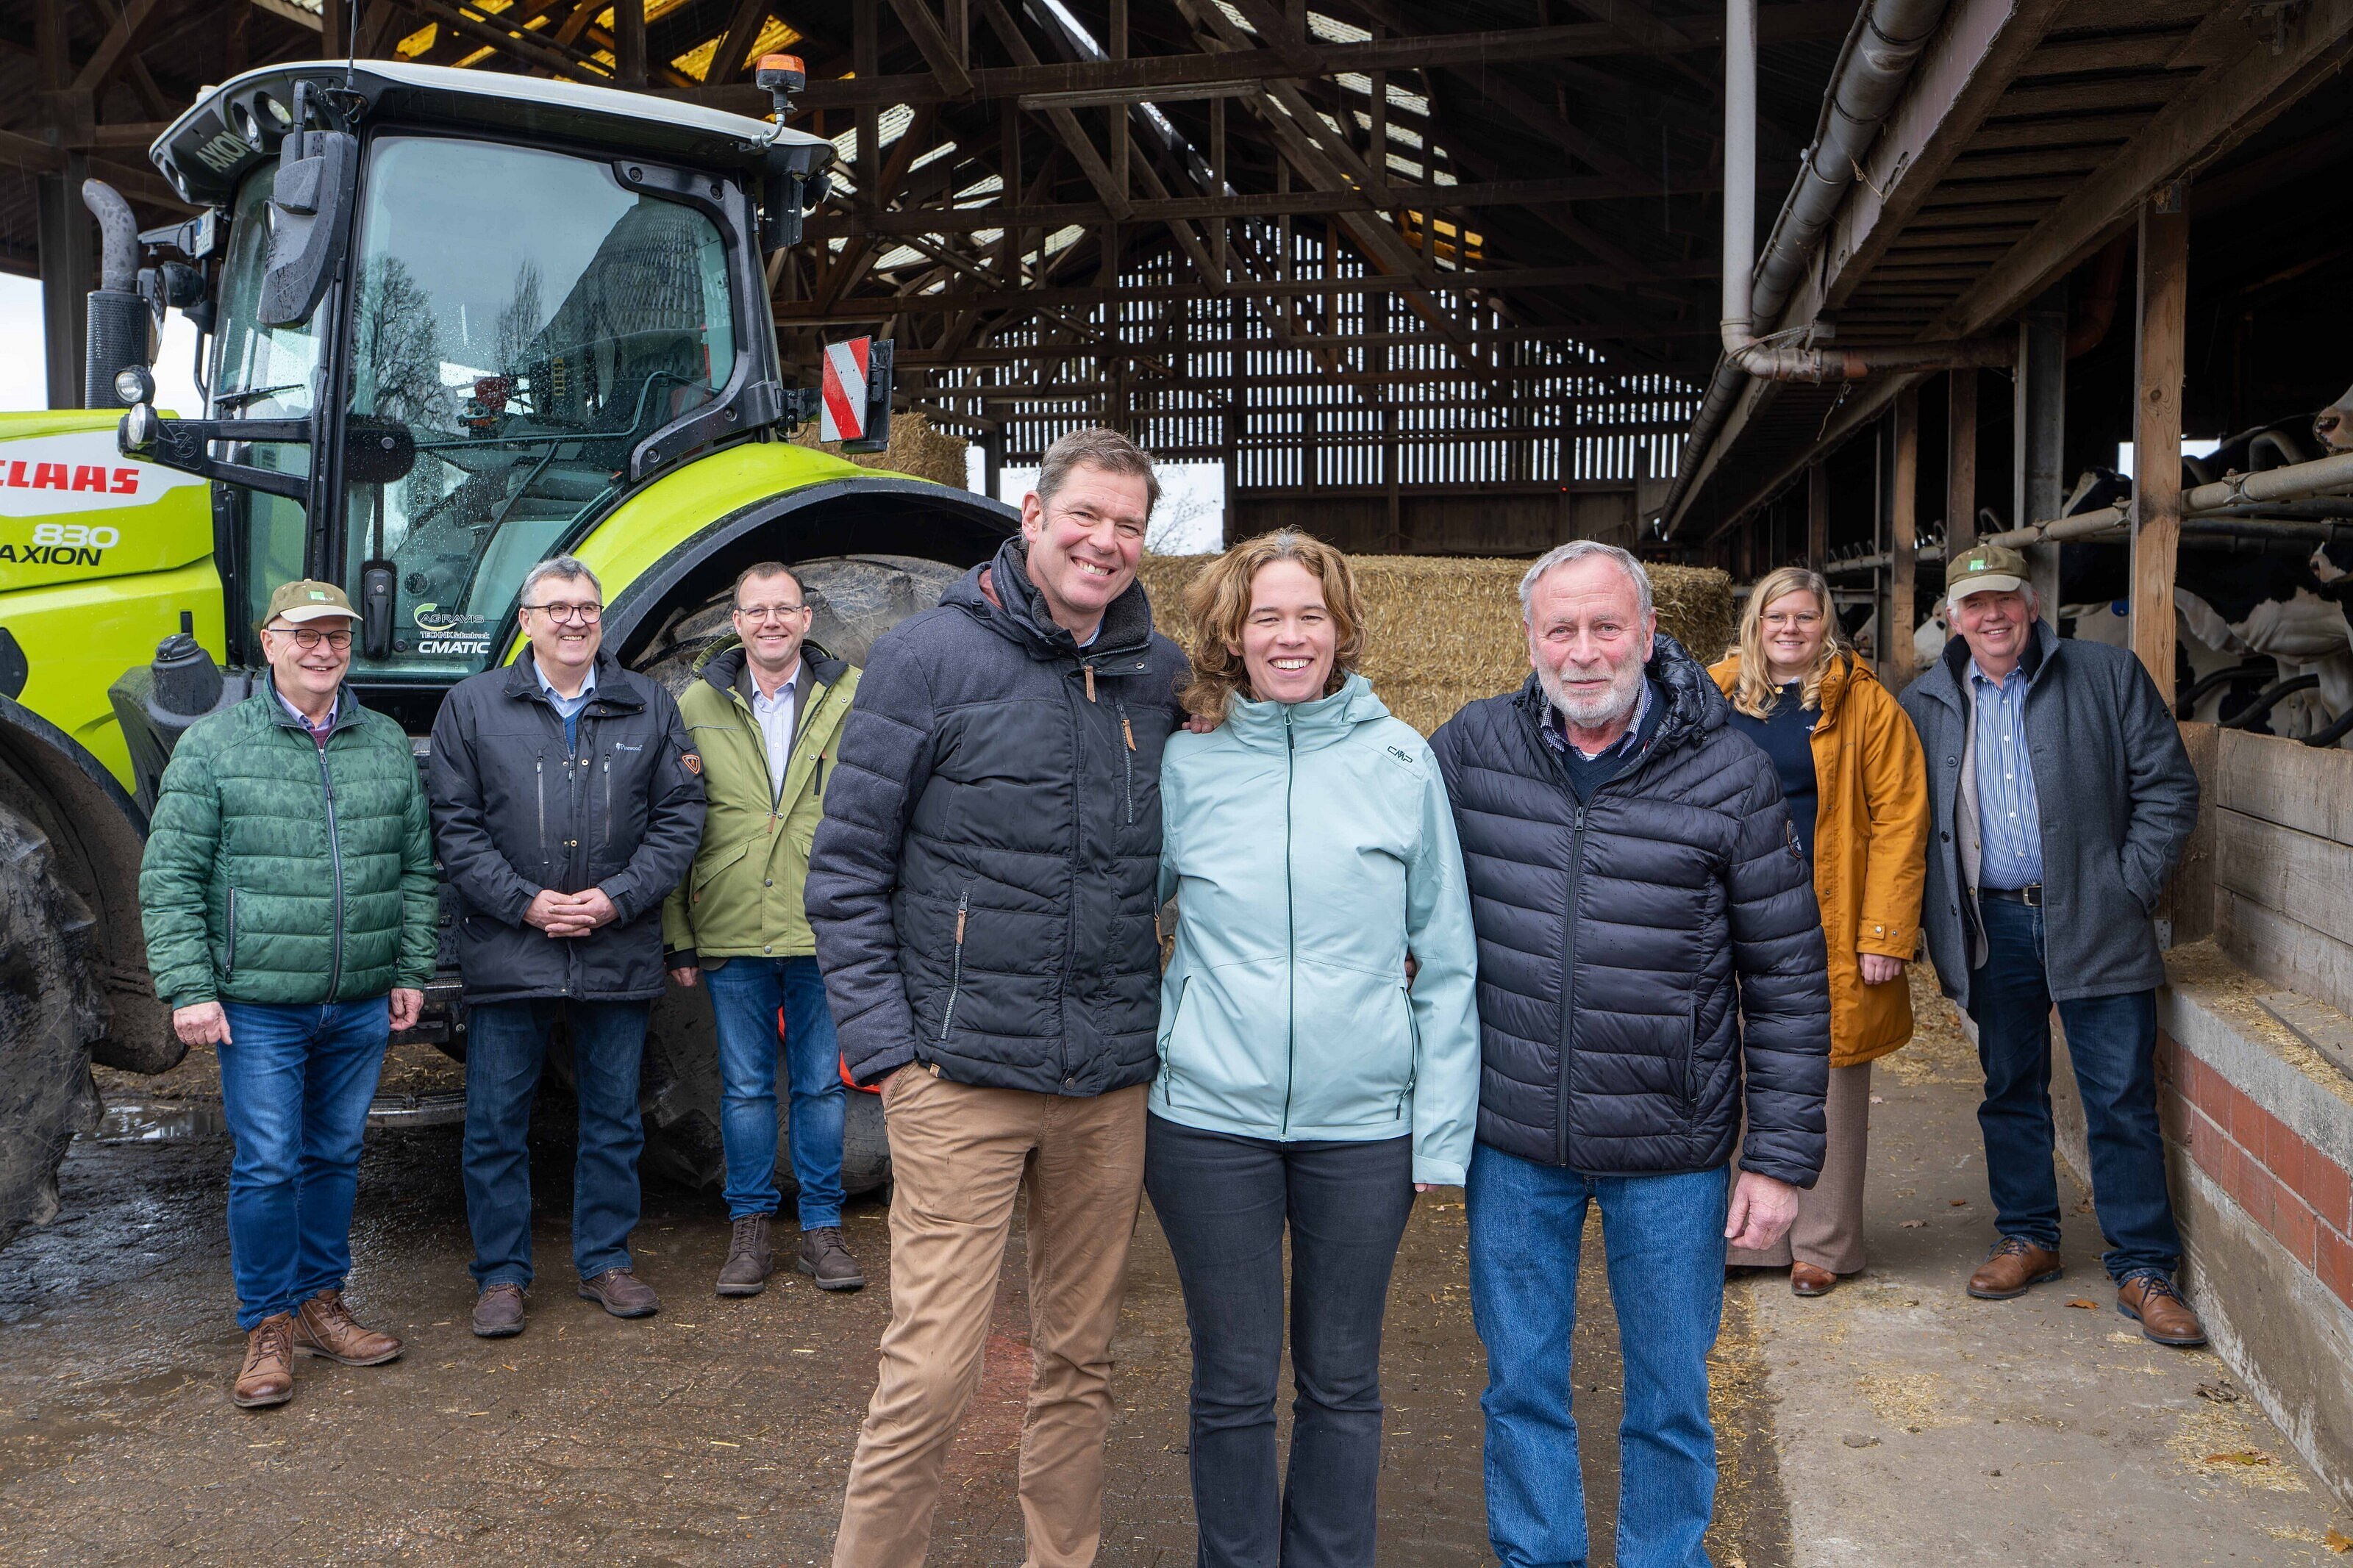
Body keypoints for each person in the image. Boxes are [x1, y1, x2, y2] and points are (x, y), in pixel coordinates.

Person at [808, 427, 1190, 1568]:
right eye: (1087, 517)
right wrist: (892, 1055)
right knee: (931, 1365)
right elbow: (845, 868)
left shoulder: (1160, 675)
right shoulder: (929, 657)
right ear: (1033, 513)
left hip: (1107, 1080)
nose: (1105, 543)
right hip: (961, 1075)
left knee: (1082, 1360)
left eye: (1129, 526)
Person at [1428, 540, 1829, 1568]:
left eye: (1607, 626)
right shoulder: (1472, 750)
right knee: (1521, 1383)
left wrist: (1780, 1158)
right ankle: (1540, 1557)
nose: (1584, 649)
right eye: (1560, 629)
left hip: (1673, 1148)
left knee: (1669, 1393)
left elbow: (1785, 974)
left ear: (1650, 636)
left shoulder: (1729, 767)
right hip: (1514, 1140)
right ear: (1529, 641)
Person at [1149, 530, 1480, 1568]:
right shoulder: (1187, 759)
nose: (1289, 636)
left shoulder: (1400, 760)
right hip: (1207, 1119)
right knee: (1233, 1381)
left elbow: (1452, 956)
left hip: (1364, 1124)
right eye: (1266, 618)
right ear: (1230, 636)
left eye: (1309, 616)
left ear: (1341, 631)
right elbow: (1122, 914)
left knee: (1343, 1378)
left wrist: (1442, 1132)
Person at [138, 579, 437, 1408]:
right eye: (304, 635)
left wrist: (409, 969)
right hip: (259, 1003)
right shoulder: (214, 745)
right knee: (268, 1165)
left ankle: (319, 1301)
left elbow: (415, 867)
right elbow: (170, 877)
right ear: (270, 643)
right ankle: (266, 1325)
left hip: (358, 999)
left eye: (336, 636)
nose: (322, 650)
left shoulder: (381, 742)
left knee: (335, 1156)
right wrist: (191, 987)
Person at [1897, 543, 2204, 1345]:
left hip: (2095, 917)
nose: (1990, 616)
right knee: (2010, 1088)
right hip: (1988, 923)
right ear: (1950, 619)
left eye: (2004, 599)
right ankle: (2028, 1236)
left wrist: (2126, 885)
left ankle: (2142, 1268)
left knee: (2119, 1099)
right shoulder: (1924, 700)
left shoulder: (2104, 676)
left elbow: (2167, 785)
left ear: (2030, 604)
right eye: (1973, 605)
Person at [428, 555, 704, 1338]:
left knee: (614, 1118)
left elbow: (681, 816)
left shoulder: (647, 705)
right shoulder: (472, 706)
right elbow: (455, 824)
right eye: (557, 608)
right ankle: (503, 1276)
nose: (575, 620)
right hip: (512, 950)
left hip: (614, 947)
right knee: (495, 1123)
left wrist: (617, 898)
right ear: (526, 622)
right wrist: (525, 903)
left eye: (587, 608)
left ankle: (607, 1261)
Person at [1713, 566, 1929, 1295]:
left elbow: (1901, 819)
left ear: (1823, 623)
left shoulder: (1864, 704)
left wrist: (1883, 932)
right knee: (1734, 1069)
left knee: (1829, 1075)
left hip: (1824, 915)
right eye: (1776, 618)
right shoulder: (1713, 694)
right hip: (1731, 913)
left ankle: (1823, 1244)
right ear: (1755, 623)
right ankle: (1751, 1240)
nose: (1789, 631)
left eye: (1804, 618)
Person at [663, 562, 865, 1295]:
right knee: (745, 1087)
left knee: (819, 1085)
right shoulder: (696, 704)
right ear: (738, 622)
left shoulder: (851, 698)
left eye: (785, 609)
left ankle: (820, 1230)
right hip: (731, 922)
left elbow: (881, 814)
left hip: (826, 925)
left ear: (807, 618)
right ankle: (748, 1230)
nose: (771, 621)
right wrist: (679, 932)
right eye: (756, 610)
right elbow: (676, 826)